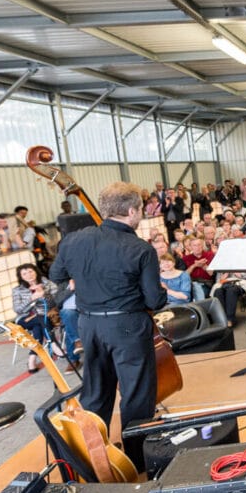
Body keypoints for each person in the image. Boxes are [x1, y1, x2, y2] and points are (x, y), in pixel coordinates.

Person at [49, 181, 167, 467]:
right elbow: (154, 300)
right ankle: (137, 462)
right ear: (130, 211)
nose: (140, 213)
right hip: (127, 327)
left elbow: (57, 274)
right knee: (136, 394)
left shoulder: (74, 240)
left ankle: (96, 457)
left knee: (96, 392)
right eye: (140, 209)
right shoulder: (140, 249)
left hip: (88, 325)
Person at [12, 263, 59, 374]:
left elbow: (56, 302)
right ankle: (52, 342)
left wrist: (44, 295)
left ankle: (31, 360)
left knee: (38, 327)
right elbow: (18, 309)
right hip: (25, 318)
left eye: (30, 271)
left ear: (36, 271)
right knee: (40, 320)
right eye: (24, 273)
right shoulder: (17, 290)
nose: (28, 275)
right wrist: (31, 298)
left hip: (47, 316)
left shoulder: (48, 284)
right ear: (21, 277)